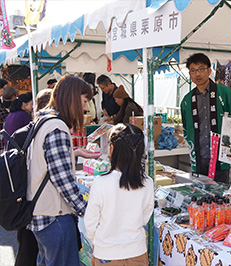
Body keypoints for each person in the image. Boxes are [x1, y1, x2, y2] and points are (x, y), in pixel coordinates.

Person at [26, 75, 93, 266]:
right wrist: (87, 212)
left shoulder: (44, 121)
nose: (86, 107)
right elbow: (63, 181)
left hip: (41, 215)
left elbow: (48, 162)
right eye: (85, 100)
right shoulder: (56, 127)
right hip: (54, 217)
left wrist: (74, 152)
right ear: (72, 98)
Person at [84, 123, 154, 266]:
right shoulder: (147, 182)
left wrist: (97, 241)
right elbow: (145, 217)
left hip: (107, 253)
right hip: (137, 251)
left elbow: (90, 222)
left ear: (113, 149)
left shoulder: (101, 182)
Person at [180, 53, 231, 183]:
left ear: (209, 70)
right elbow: (186, 128)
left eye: (201, 69)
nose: (198, 74)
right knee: (200, 197)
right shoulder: (187, 100)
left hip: (221, 158)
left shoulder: (225, 94)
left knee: (220, 197)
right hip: (199, 157)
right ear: (189, 74)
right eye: (193, 71)